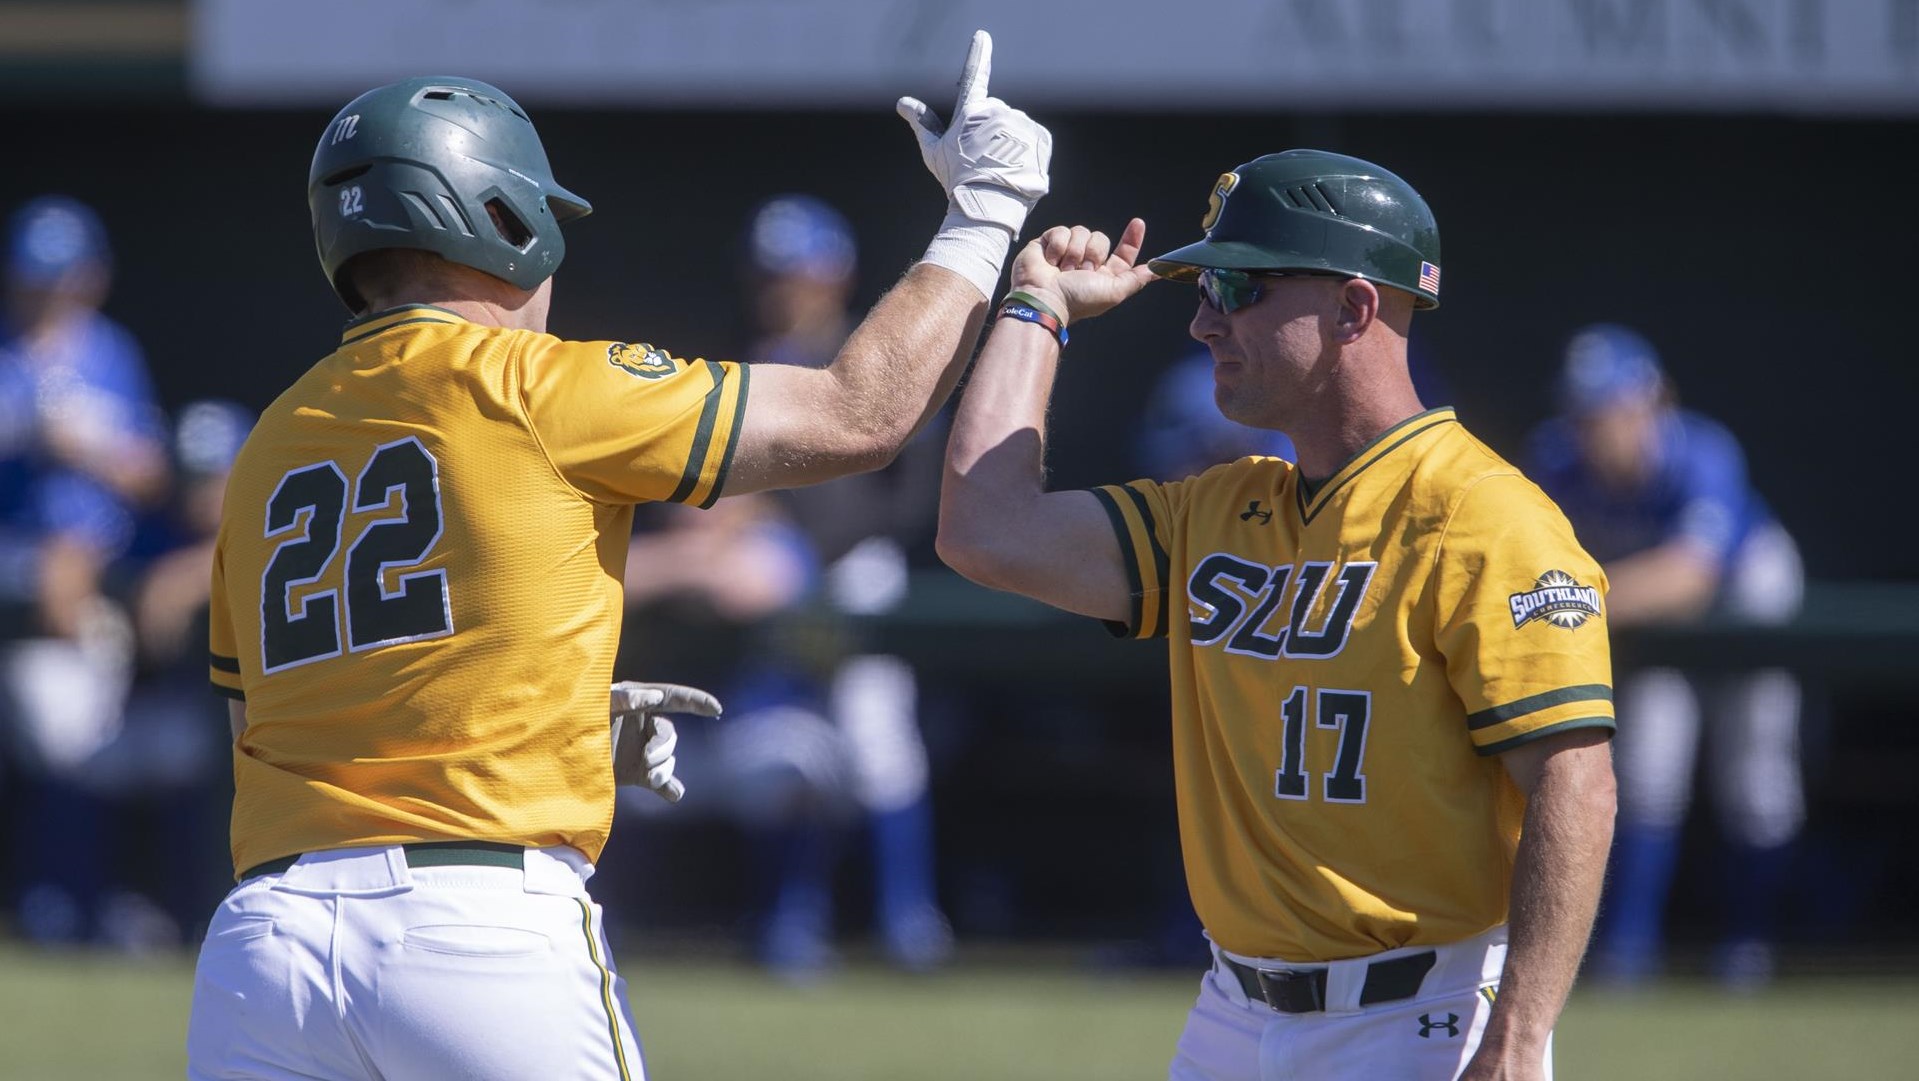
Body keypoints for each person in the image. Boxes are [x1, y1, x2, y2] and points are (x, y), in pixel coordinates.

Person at [188, 30, 1050, 1081]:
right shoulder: (538, 385)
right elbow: (859, 413)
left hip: (263, 949)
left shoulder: (269, 442)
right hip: (478, 927)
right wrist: (986, 209)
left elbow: (265, 725)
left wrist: (552, 717)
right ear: (502, 220)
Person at [938, 151, 1617, 1080]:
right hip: (1231, 1010)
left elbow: (1575, 784)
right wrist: (1036, 307)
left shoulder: (1486, 515)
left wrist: (1519, 1036)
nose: (1202, 319)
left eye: (1237, 286)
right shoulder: (1218, 506)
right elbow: (985, 529)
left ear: (1353, 309)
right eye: (1204, 287)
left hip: (1422, 1015)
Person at [1524, 325, 1804, 989]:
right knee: (1648, 768)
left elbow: (1690, 576)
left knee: (1755, 770)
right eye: (1583, 409)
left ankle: (1750, 945)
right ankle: (1628, 951)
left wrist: (1579, 603)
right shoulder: (1554, 457)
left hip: (1745, 591)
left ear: (1653, 400)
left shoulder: (1700, 450)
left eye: (1609, 406)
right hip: (1638, 613)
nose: (1596, 425)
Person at [0, 194, 170, 945]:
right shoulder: (6, 355)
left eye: (61, 280)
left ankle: (77, 899)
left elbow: (150, 474)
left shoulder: (109, 353)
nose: (46, 295)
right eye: (34, 279)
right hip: (15, 565)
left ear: (90, 278)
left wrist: (86, 450)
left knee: (76, 742)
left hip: (87, 580)